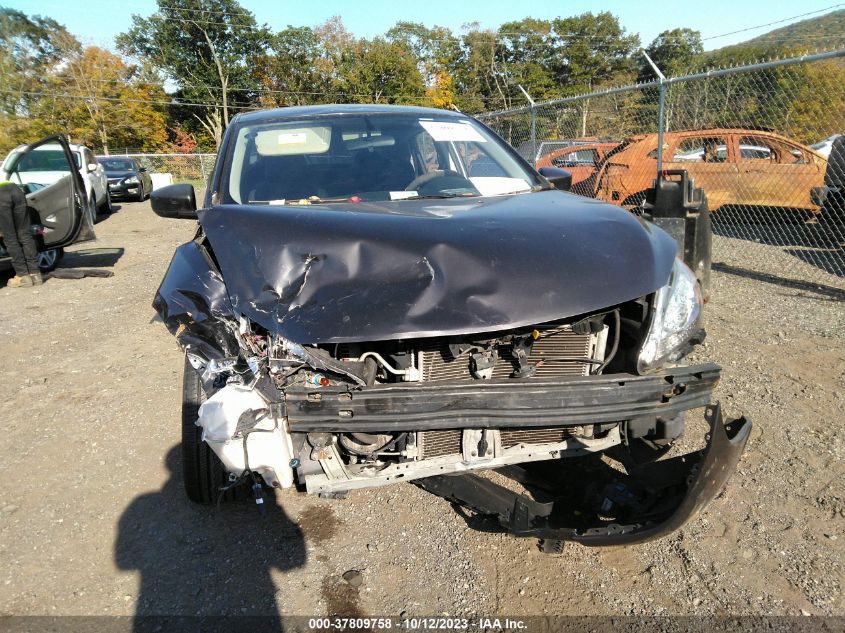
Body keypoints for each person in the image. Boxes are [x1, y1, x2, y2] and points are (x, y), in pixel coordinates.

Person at [0, 180, 41, 287]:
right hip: (15, 189)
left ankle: (22, 275)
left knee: (10, 238)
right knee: (25, 234)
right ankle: (35, 274)